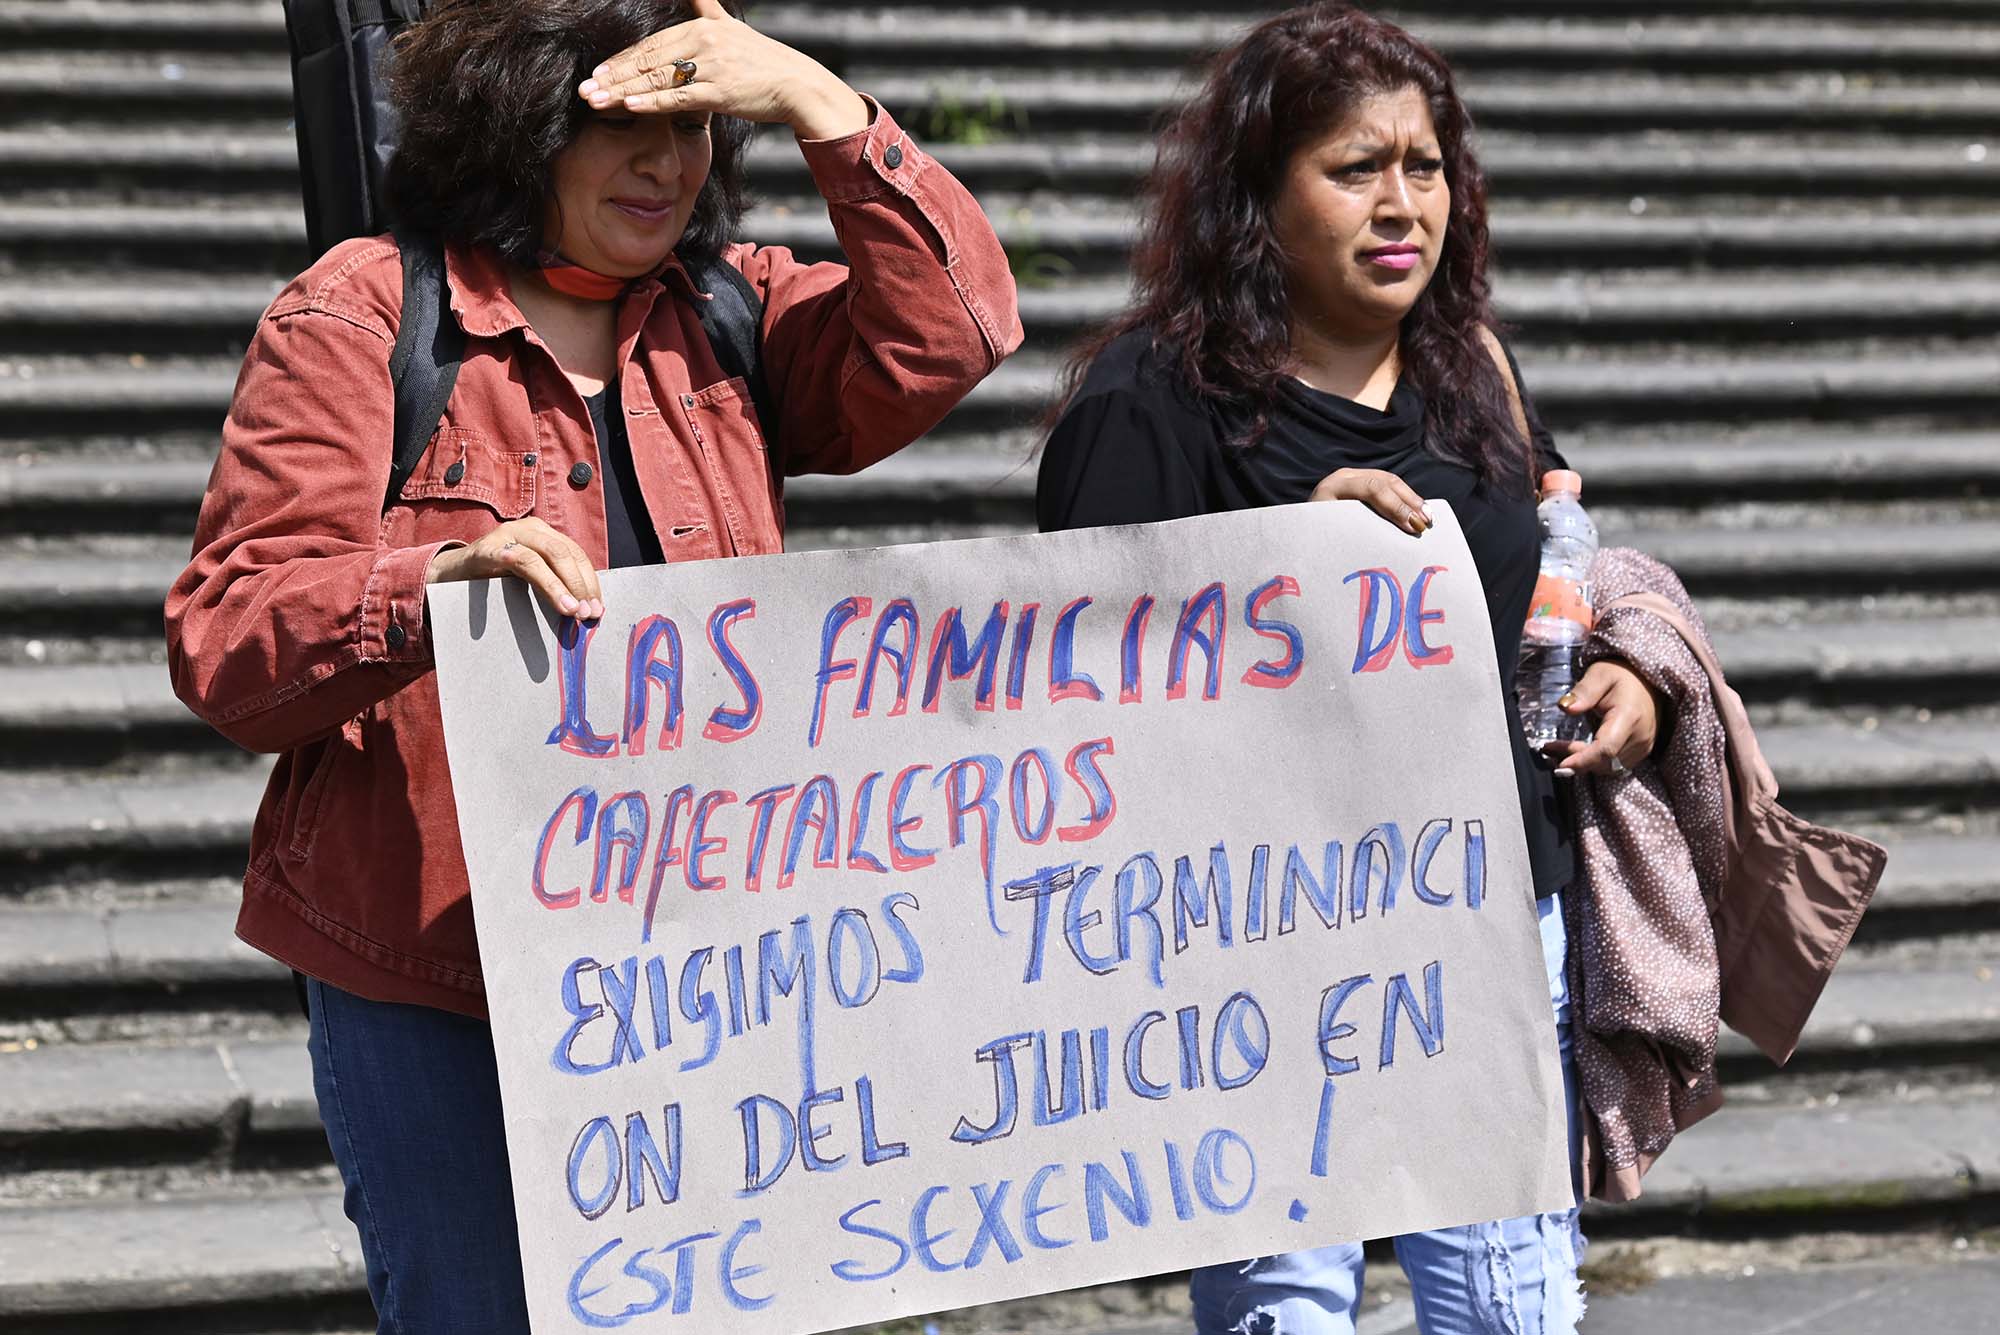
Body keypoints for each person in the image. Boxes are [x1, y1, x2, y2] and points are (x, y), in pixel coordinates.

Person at [163, 1, 1021, 1328]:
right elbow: (229, 639)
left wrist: (824, 108)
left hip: (699, 961)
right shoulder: (359, 314)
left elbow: (952, 331)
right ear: (516, 124)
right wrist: (429, 589)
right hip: (433, 976)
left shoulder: (731, 308)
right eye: (621, 123)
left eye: (694, 124)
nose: (667, 163)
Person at [1036, 6, 1666, 1333]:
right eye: (1353, 169)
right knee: (1286, 1312)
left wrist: (1627, 672)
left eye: (1424, 168)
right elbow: (1075, 692)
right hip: (1262, 943)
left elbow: (1556, 572)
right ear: (1259, 197)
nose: (1401, 206)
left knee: (1513, 1312)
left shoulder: (1471, 372)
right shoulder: (1149, 399)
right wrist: (1278, 575)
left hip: (1491, 916)